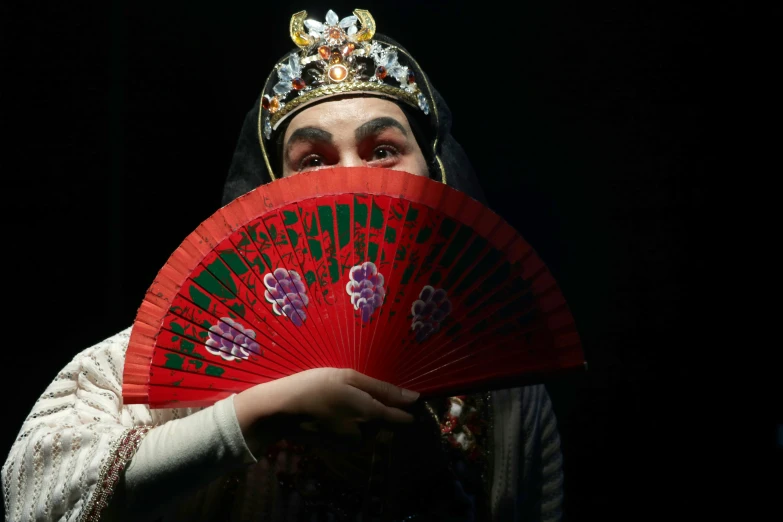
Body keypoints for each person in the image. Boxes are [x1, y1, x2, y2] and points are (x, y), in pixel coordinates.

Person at [2, 9, 564, 522]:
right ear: (272, 196)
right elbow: (32, 491)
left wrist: (430, 485)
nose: (353, 179)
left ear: (435, 171)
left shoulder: (506, 384)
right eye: (314, 160)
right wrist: (256, 414)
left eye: (384, 150)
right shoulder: (206, 340)